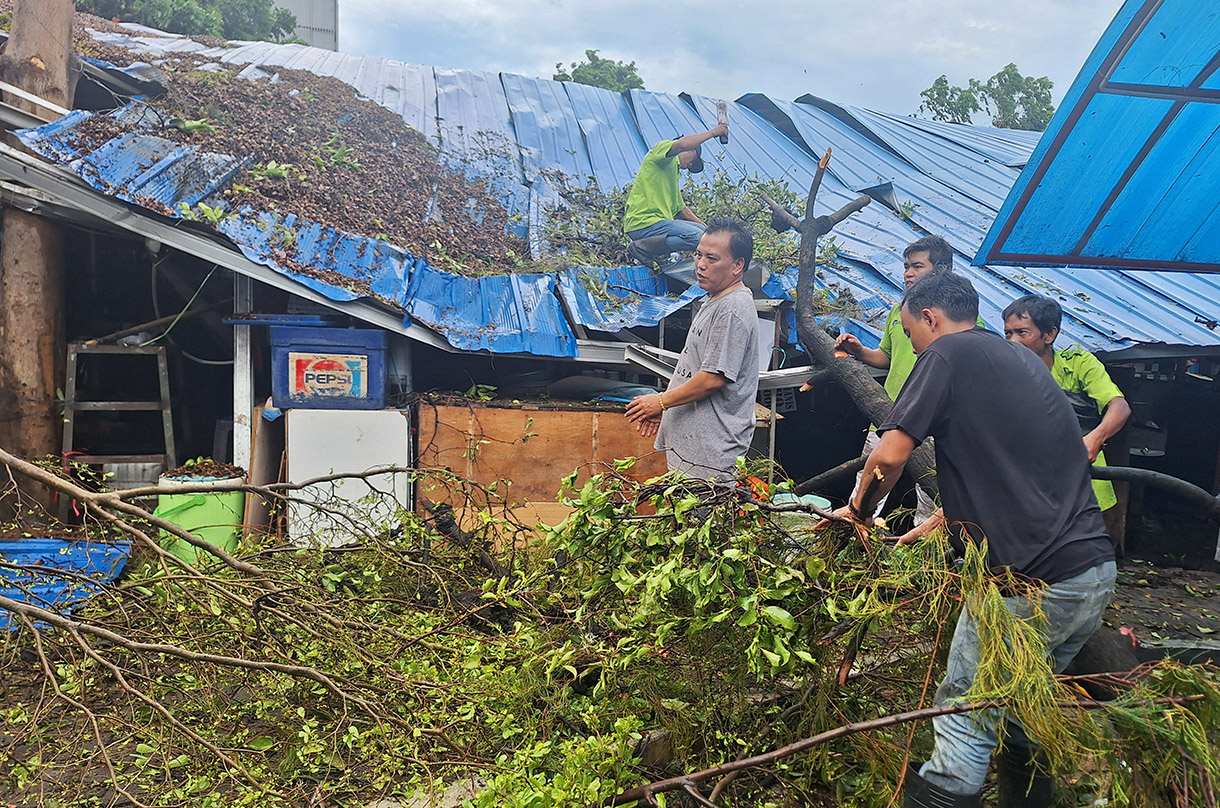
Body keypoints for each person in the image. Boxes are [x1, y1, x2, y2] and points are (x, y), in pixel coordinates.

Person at [830, 270, 1116, 808]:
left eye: (911, 333)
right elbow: (1011, 471)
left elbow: (889, 456)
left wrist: (858, 513)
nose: (911, 346)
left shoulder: (947, 355)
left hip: (1027, 584)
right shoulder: (1022, 364)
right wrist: (928, 527)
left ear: (931, 318)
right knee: (1021, 707)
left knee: (964, 708)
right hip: (1091, 572)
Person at [833, 235, 958, 523]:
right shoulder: (899, 311)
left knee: (932, 498)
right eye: (906, 267)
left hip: (933, 425)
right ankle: (853, 538)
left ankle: (927, 557)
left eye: (916, 266)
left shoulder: (959, 318)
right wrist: (860, 351)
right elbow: (887, 358)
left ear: (941, 271)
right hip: (888, 415)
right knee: (866, 487)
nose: (908, 274)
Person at [625, 218, 758, 480]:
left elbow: (712, 378)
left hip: (709, 455)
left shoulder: (733, 309)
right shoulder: (714, 299)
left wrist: (661, 401)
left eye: (712, 258)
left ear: (737, 265)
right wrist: (668, 409)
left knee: (700, 519)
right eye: (698, 254)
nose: (700, 264)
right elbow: (694, 367)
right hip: (693, 447)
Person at [1002, 295, 1131, 533]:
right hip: (1031, 491)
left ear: (1049, 335)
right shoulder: (1003, 374)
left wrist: (1095, 439)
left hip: (1086, 487)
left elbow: (1120, 407)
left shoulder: (1078, 364)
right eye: (1008, 333)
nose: (1013, 341)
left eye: (1022, 333)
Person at [623, 124, 728, 265]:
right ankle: (641, 247)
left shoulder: (673, 175)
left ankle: (651, 249)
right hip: (643, 222)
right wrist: (714, 132)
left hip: (658, 225)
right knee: (697, 237)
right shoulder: (661, 154)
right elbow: (681, 145)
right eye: (694, 159)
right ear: (689, 149)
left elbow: (682, 210)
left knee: (704, 234)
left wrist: (711, 232)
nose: (691, 165)